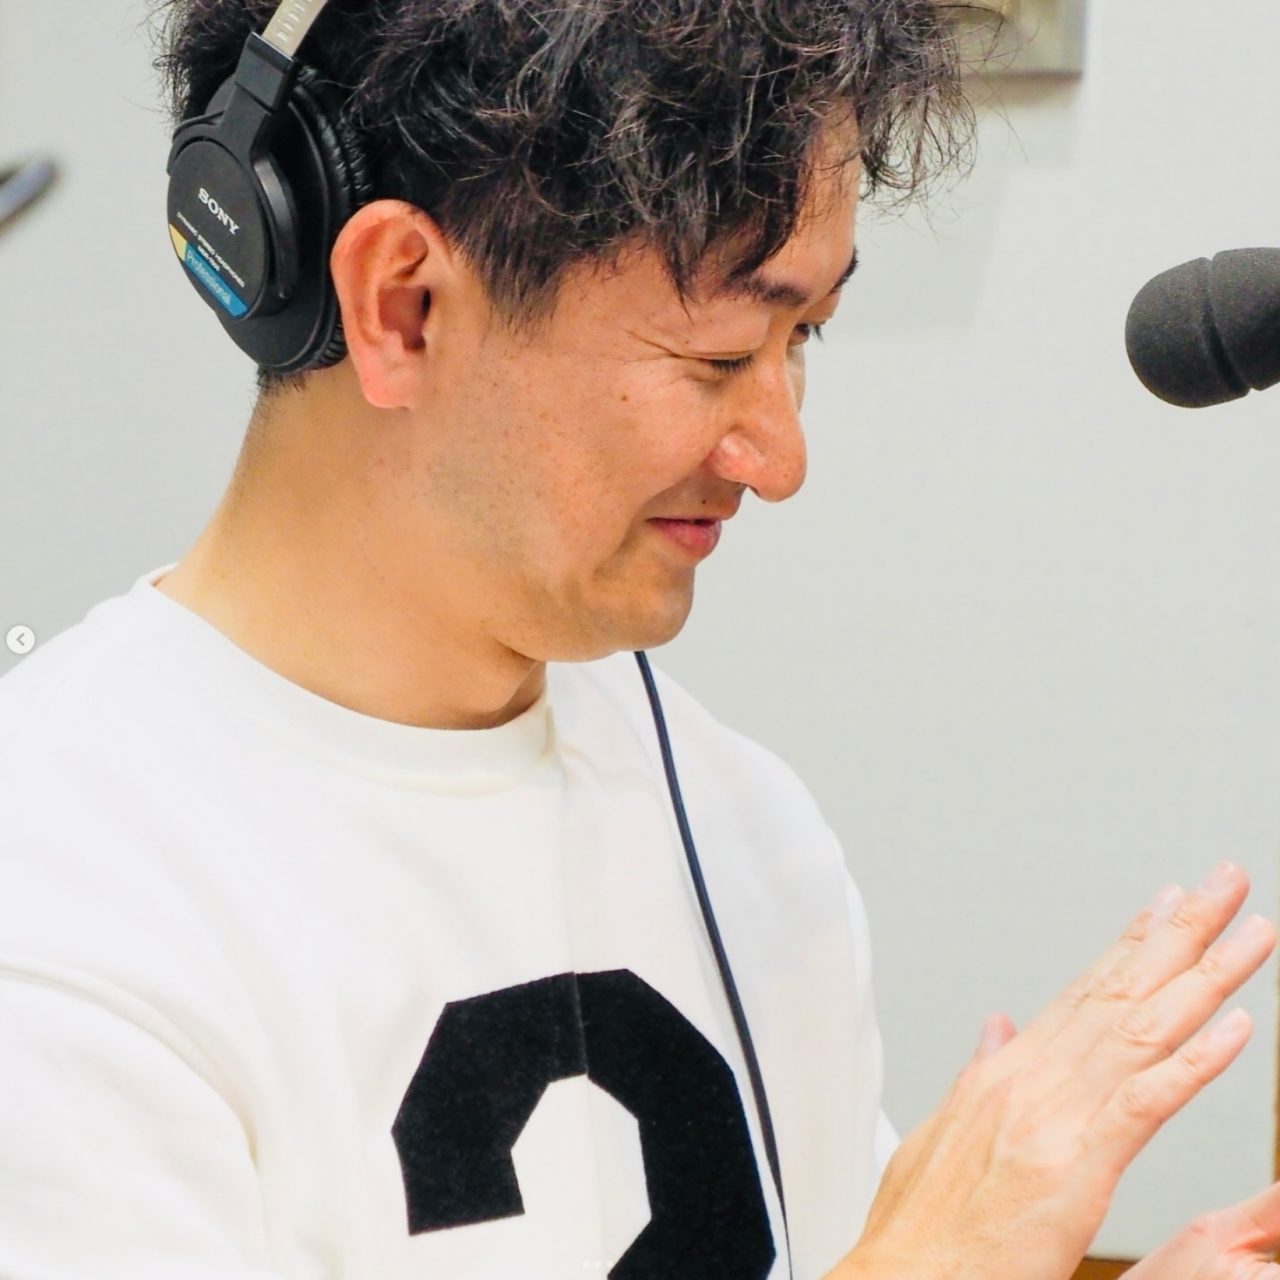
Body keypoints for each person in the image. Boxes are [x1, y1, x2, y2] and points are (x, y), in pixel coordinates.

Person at [0, 0, 1277, 1276]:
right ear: (402, 304)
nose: (779, 459)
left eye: (802, 338)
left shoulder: (743, 826)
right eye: (717, 355)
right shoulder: (63, 909)